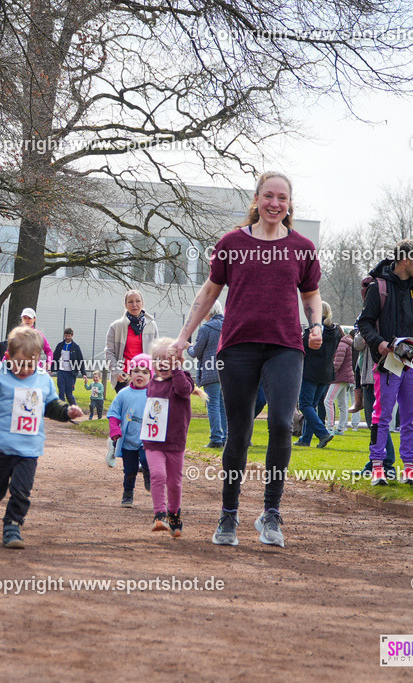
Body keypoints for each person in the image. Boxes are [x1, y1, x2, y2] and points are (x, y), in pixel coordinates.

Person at [168, 171, 323, 549]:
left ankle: (271, 513)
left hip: (286, 347)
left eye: (282, 198)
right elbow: (208, 293)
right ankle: (229, 514)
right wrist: (183, 336)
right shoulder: (232, 243)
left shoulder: (301, 247)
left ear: (289, 204)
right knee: (239, 432)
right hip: (237, 347)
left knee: (283, 425)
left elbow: (311, 295)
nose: (275, 204)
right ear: (256, 199)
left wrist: (315, 324)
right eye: (268, 196)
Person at [0, 326, 83, 548]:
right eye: (19, 363)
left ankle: (13, 525)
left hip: (28, 449)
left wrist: (67, 411)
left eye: (30, 364)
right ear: (8, 357)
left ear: (38, 359)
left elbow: (50, 405)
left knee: (21, 490)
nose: (24, 369)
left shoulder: (42, 379)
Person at [356, 239, 413, 486]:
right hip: (388, 362)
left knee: (409, 419)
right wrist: (379, 343)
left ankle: (409, 470)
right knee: (381, 417)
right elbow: (364, 323)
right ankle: (378, 468)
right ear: (406, 260)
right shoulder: (378, 287)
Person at [143, 338, 197, 538]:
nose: (163, 363)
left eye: (168, 359)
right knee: (158, 475)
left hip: (174, 442)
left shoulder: (182, 379)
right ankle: (160, 514)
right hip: (153, 441)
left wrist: (177, 370)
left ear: (178, 361)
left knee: (174, 482)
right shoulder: (151, 384)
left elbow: (184, 391)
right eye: (158, 359)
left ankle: (174, 512)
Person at [351, 277, 396, 478]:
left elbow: (359, 342)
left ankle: (387, 463)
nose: (364, 293)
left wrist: (364, 332)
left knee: (377, 421)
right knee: (374, 422)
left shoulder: (376, 315)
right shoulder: (366, 314)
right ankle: (375, 461)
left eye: (367, 290)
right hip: (367, 375)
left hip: (377, 374)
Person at [107, 353, 153, 507]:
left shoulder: (153, 394)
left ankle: (148, 472)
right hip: (127, 440)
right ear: (130, 373)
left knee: (146, 459)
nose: (140, 375)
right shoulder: (123, 394)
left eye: (145, 372)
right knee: (130, 470)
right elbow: (113, 413)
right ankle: (127, 494)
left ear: (151, 376)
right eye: (136, 371)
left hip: (146, 438)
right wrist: (114, 430)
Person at [295, 301, 341, 448]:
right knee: (312, 405)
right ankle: (305, 439)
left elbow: (301, 349)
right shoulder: (335, 332)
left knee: (305, 404)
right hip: (326, 373)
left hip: (311, 372)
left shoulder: (312, 331)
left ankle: (323, 433)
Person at [105, 290, 159, 392]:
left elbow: (156, 353)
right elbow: (109, 352)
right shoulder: (116, 326)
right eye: (130, 302)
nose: (134, 305)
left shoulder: (152, 325)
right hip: (124, 377)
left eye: (137, 301)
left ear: (142, 304)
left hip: (145, 377)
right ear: (125, 305)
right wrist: (117, 372)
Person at [191, 301, 226, 448]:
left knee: (212, 405)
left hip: (211, 371)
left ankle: (216, 438)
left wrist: (188, 347)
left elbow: (197, 352)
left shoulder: (206, 328)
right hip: (226, 372)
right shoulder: (228, 324)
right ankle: (225, 437)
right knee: (223, 406)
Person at [325, 327, 354, 435]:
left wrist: (330, 374)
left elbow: (337, 364)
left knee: (328, 401)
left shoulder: (341, 344)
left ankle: (330, 428)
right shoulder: (347, 343)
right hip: (345, 376)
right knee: (342, 403)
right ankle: (341, 428)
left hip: (339, 377)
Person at [51, 327, 87, 406]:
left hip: (71, 373)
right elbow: (55, 358)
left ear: (72, 336)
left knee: (69, 394)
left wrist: (84, 373)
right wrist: (51, 369)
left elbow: (80, 360)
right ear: (64, 335)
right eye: (66, 336)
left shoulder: (76, 347)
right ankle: (63, 411)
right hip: (61, 372)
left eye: (69, 336)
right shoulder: (60, 345)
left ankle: (75, 410)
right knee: (61, 393)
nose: (67, 338)